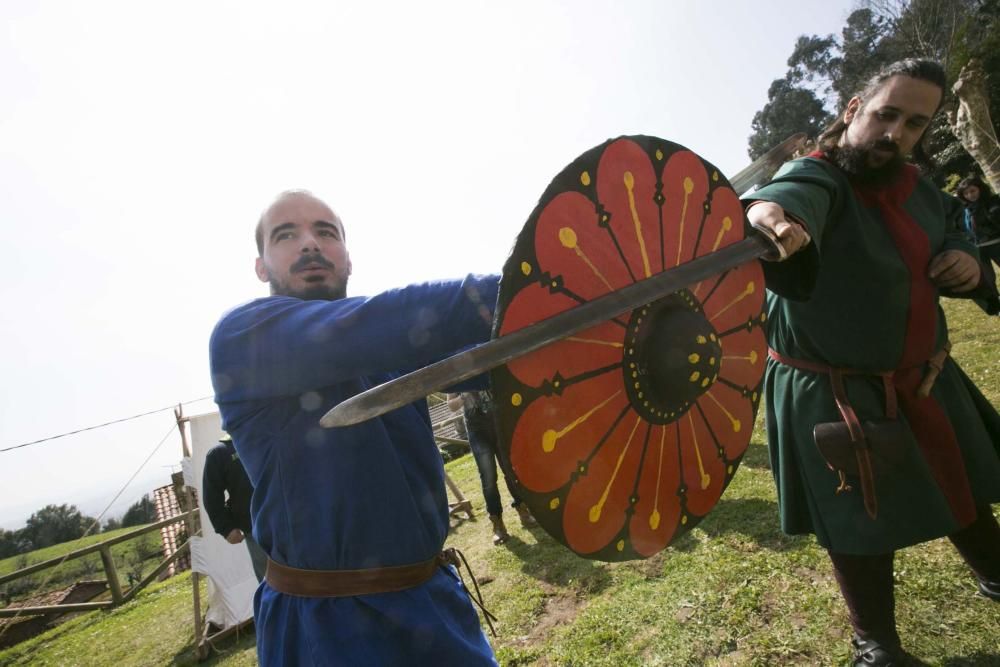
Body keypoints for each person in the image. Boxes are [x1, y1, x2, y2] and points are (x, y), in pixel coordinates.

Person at [745, 59, 1000, 666]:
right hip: (829, 387)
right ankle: (876, 647)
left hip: (924, 373)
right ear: (855, 108)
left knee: (956, 479)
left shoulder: (917, 188)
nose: (896, 134)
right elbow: (784, 196)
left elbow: (949, 228)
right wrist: (772, 218)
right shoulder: (819, 176)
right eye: (886, 114)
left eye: (915, 123)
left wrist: (967, 260)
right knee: (856, 518)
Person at [209, 190, 498, 666]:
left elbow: (504, 359)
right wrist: (539, 282)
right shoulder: (243, 340)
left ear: (348, 258)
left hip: (435, 608)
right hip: (327, 629)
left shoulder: (389, 350)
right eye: (286, 235)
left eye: (326, 232)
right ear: (261, 267)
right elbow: (408, 318)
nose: (309, 244)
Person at [447, 391, 535, 545]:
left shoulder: (482, 365)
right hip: (477, 430)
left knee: (510, 470)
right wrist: (464, 395)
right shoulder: (455, 371)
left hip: (498, 422)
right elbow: (451, 405)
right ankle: (498, 525)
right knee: (488, 478)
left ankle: (523, 511)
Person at [202, 433, 267, 581]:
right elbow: (211, 496)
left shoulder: (267, 437)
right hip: (255, 530)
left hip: (293, 522)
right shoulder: (219, 453)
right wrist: (226, 528)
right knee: (271, 583)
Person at [956, 175, 1000, 315]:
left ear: (980, 189)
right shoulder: (965, 209)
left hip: (996, 244)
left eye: (973, 191)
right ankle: (997, 306)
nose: (970, 195)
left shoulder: (993, 202)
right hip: (977, 248)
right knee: (987, 279)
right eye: (966, 193)